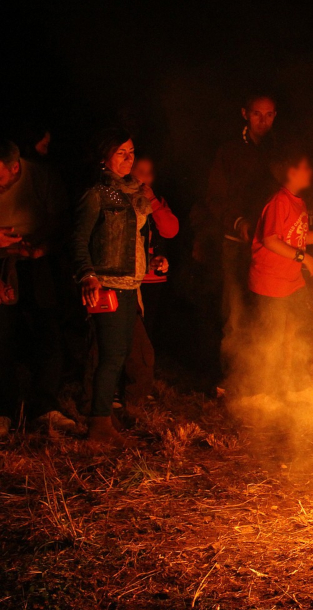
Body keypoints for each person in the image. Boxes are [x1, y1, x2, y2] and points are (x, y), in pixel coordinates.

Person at [73, 128, 165, 445]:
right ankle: (98, 425)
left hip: (130, 284)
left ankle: (103, 420)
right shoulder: (98, 193)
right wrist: (87, 273)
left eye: (131, 152)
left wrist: (150, 263)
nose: (128, 159)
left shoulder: (133, 194)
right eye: (120, 153)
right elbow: (78, 240)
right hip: (107, 284)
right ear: (104, 156)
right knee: (111, 356)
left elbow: (137, 240)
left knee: (120, 353)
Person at [248, 146, 313, 394]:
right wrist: (305, 259)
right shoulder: (279, 202)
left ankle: (291, 378)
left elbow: (300, 239)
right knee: (271, 337)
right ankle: (263, 391)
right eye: (305, 167)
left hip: (291, 281)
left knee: (307, 324)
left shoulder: (298, 203)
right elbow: (270, 240)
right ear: (292, 172)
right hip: (270, 281)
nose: (310, 171)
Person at [0, 139, 75, 436]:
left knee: (48, 330)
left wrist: (40, 246)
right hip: (1, 261)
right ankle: (3, 410)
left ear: (15, 167)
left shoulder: (41, 177)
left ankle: (44, 407)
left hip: (35, 261)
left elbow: (59, 219)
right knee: (2, 335)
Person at [204, 93, 278, 392]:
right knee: (235, 311)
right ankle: (231, 380)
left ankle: (260, 378)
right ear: (245, 114)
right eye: (258, 114)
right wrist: (238, 222)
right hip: (237, 243)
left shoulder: (279, 151)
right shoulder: (230, 151)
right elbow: (215, 198)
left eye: (269, 114)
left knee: (266, 312)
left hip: (272, 246)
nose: (263, 121)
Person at [122, 155, 179, 403]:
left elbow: (170, 229)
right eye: (138, 171)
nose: (142, 177)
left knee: (147, 335)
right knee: (128, 336)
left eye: (148, 173)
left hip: (152, 280)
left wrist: (153, 200)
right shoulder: (121, 198)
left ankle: (139, 387)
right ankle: (123, 388)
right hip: (127, 279)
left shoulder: (156, 201)